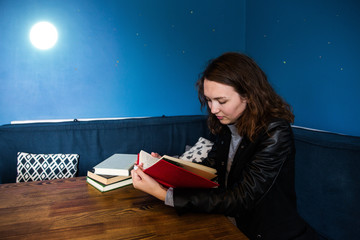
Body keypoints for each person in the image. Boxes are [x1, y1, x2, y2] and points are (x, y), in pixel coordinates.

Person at [131, 52, 319, 240]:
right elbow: (211, 168)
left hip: (264, 232)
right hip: (228, 220)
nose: (213, 109)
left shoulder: (276, 131)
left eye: (221, 101)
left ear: (248, 95)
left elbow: (243, 198)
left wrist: (164, 195)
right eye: (209, 100)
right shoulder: (228, 120)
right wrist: (166, 168)